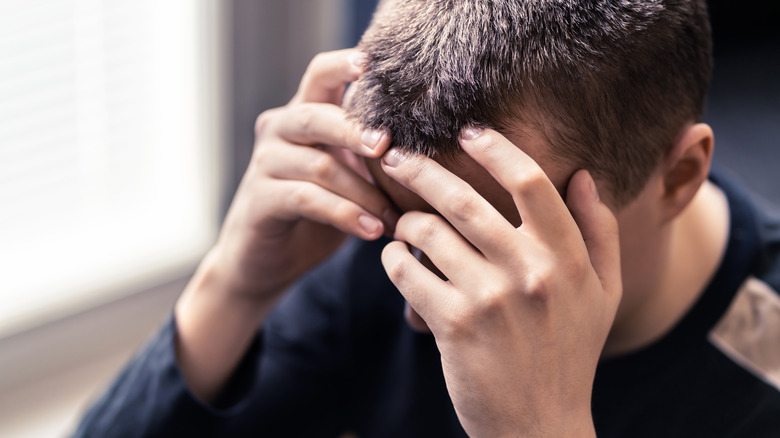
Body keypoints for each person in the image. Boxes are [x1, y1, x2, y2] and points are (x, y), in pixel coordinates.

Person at [73, 0, 780, 436]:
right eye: (411, 219)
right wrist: (233, 283)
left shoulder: (759, 381)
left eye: (483, 238)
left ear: (679, 176)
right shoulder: (378, 250)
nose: (424, 297)